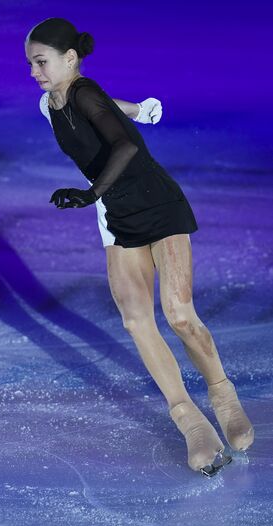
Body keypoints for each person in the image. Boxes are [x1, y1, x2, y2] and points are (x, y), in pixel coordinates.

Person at [25, 17, 254, 476]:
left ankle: (223, 395)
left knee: (180, 314)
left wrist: (90, 192)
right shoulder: (50, 104)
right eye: (31, 63)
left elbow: (125, 148)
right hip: (116, 215)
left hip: (154, 203)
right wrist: (141, 109)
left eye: (41, 62)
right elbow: (108, 109)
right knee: (135, 320)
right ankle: (190, 421)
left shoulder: (84, 89)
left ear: (70, 59)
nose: (34, 72)